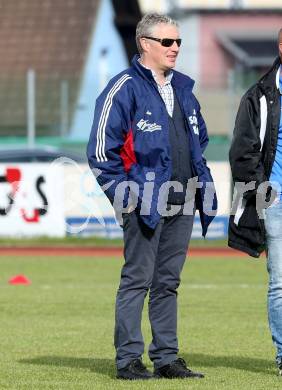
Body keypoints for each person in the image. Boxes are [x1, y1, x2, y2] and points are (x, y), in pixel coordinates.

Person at [87, 13, 217, 380]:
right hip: (143, 202)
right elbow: (101, 151)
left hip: (183, 198)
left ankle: (166, 359)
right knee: (137, 280)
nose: (175, 47)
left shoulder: (184, 90)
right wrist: (124, 194)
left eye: (178, 42)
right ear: (145, 43)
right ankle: (128, 359)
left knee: (168, 283)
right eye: (167, 42)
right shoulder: (123, 87)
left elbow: (199, 142)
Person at [229, 29, 282, 375]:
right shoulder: (259, 95)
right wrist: (265, 192)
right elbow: (242, 152)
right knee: (280, 283)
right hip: (277, 200)